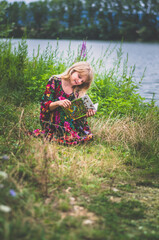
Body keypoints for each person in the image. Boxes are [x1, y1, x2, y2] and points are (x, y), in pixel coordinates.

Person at [30, 61, 96, 145]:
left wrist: (86, 113)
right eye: (79, 76)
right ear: (73, 70)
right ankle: (63, 134)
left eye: (82, 81)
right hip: (51, 118)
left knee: (87, 136)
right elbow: (45, 106)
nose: (79, 81)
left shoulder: (78, 90)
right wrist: (58, 103)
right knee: (61, 103)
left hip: (69, 121)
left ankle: (68, 134)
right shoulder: (55, 80)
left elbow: (75, 114)